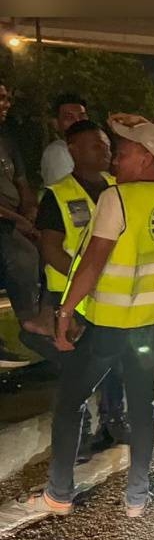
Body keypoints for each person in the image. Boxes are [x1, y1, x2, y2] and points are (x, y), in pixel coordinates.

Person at [25, 115, 154, 518]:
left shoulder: (117, 199)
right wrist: (152, 129)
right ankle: (137, 497)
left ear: (147, 158)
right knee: (143, 405)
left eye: (123, 153)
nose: (114, 160)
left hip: (110, 327)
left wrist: (64, 311)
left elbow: (91, 266)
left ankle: (59, 494)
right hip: (153, 324)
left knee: (69, 403)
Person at [31, 119, 128, 451]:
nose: (105, 151)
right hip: (70, 294)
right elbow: (50, 248)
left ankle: (114, 418)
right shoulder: (58, 196)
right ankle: (82, 430)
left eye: (106, 145)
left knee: (115, 357)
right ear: (72, 149)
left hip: (113, 293)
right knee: (78, 366)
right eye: (96, 145)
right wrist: (83, 278)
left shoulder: (119, 187)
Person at [0, 79, 47, 366]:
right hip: (5, 224)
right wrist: (21, 222)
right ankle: (29, 322)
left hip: (16, 220)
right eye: (0, 98)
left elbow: (22, 183)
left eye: (6, 97)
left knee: (51, 246)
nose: (6, 104)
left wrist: (31, 211)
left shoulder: (7, 140)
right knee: (23, 255)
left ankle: (53, 317)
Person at [40, 93, 89, 185]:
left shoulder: (92, 150)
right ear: (56, 123)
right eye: (69, 117)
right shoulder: (58, 152)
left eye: (82, 116)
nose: (78, 122)